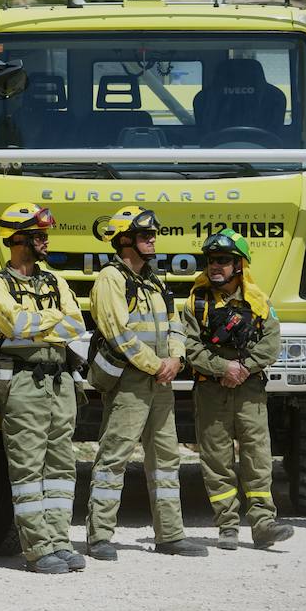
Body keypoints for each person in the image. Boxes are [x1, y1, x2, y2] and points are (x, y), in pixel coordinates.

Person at [86, 205, 207, 560]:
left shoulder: (153, 279)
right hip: (131, 382)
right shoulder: (111, 278)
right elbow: (117, 332)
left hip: (160, 380)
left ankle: (170, 535)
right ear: (124, 241)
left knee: (167, 456)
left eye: (152, 234)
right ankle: (100, 537)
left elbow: (174, 324)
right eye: (144, 235)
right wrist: (158, 365)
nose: (152, 240)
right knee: (114, 455)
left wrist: (176, 359)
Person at [0, 203, 86, 575]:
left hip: (60, 381)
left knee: (61, 467)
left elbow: (76, 326)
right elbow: (14, 325)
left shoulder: (55, 281)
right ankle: (38, 549)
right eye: (39, 235)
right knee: (27, 469)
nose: (45, 241)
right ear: (18, 238)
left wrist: (40, 322)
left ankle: (59, 541)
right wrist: (52, 319)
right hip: (22, 382)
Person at [183, 229, 292, 551]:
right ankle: (227, 526)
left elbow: (271, 344)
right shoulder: (196, 301)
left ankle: (263, 524)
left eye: (223, 261)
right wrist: (222, 369)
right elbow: (189, 347)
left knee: (257, 456)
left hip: (249, 391)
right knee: (217, 460)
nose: (215, 266)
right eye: (211, 260)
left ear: (239, 265)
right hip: (211, 391)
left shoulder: (258, 303)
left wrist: (242, 369)